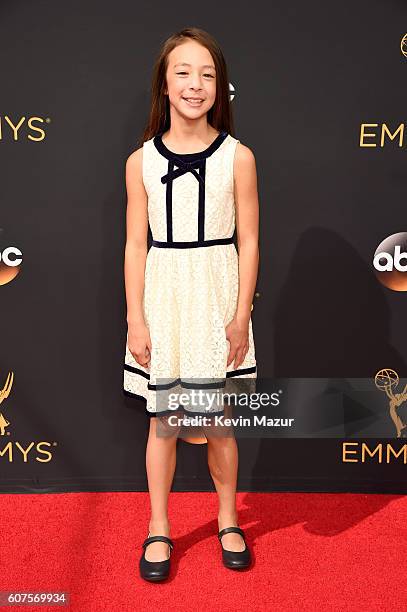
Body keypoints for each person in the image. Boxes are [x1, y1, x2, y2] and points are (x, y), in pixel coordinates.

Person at [123, 26, 259, 581]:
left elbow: (249, 240)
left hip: (217, 292)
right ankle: (160, 525)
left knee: (220, 419)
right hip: (164, 296)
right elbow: (135, 244)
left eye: (207, 74)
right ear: (165, 82)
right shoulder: (139, 162)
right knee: (163, 422)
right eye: (183, 72)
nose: (195, 84)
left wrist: (241, 314)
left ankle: (228, 518)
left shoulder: (239, 158)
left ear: (219, 86)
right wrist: (136, 317)